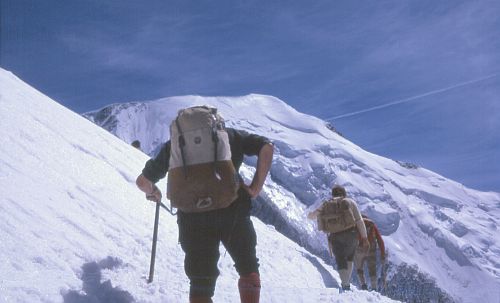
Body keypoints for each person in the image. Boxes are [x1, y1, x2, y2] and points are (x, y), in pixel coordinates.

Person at [136, 118, 273, 303]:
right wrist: (255, 187)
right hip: (233, 212)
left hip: (193, 219)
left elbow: (142, 182)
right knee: (247, 267)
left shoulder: (175, 145)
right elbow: (267, 146)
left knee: (201, 282)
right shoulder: (230, 136)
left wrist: (154, 192)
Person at [308, 185, 369, 292]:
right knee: (349, 258)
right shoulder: (350, 202)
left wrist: (310, 215)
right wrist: (364, 238)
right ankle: (347, 283)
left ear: (333, 194)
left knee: (341, 259)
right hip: (352, 234)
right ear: (344, 194)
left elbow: (313, 216)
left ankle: (345, 285)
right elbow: (359, 221)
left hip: (335, 236)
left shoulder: (326, 204)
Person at [354, 214, 386, 291]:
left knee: (359, 268)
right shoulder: (372, 225)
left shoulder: (356, 224)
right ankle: (374, 287)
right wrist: (382, 254)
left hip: (359, 249)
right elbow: (380, 240)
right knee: (372, 269)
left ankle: (363, 285)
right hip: (371, 248)